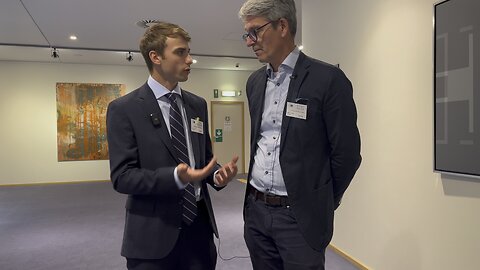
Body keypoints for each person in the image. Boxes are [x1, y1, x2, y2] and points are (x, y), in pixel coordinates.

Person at [238, 0, 362, 269]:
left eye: (255, 31)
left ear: (282, 25)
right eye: (247, 34)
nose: (250, 41)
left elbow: (347, 155)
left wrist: (322, 199)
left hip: (300, 217)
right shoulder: (255, 82)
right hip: (257, 211)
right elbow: (261, 140)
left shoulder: (328, 79)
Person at [106, 22, 238, 270]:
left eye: (189, 52)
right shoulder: (124, 109)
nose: (190, 60)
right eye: (180, 52)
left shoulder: (197, 105)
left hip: (199, 231)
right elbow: (122, 177)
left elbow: (204, 159)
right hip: (152, 237)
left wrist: (217, 175)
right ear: (155, 57)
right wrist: (176, 176)